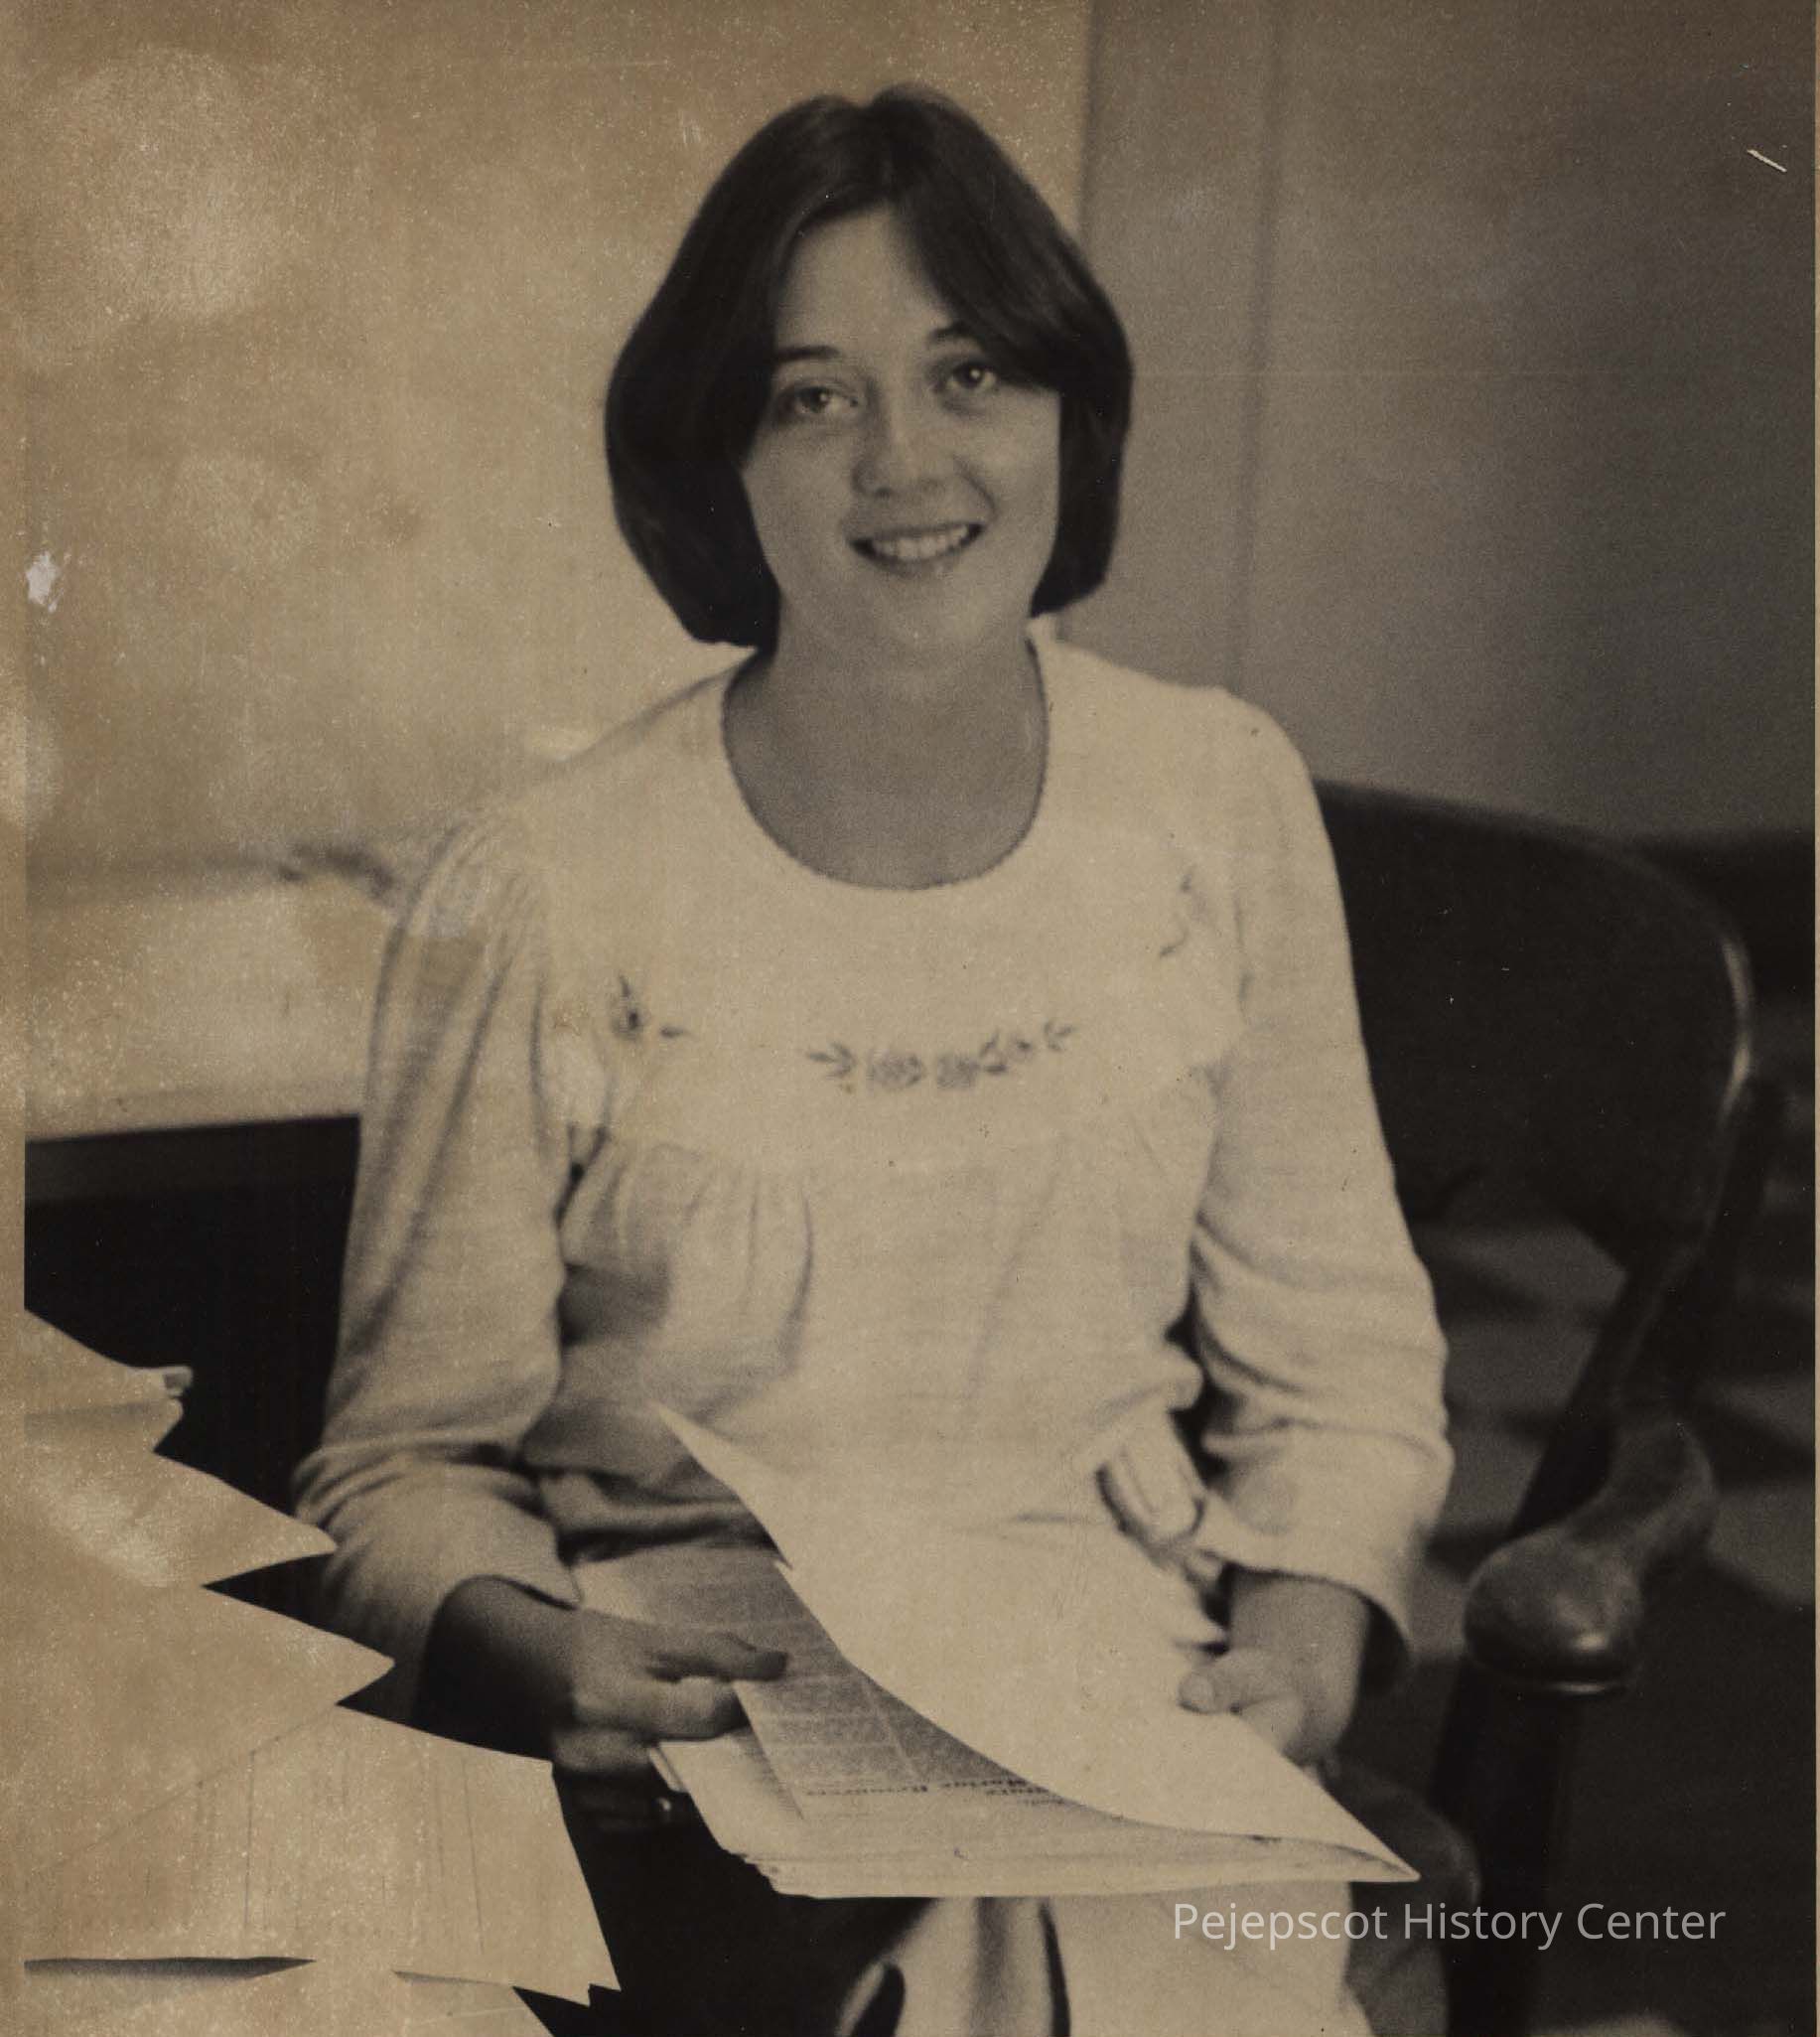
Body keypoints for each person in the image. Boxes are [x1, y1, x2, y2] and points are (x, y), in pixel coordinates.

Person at [294, 85, 1451, 2037]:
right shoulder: (543, 886)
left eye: (967, 372)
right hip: (697, 1710)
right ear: (720, 461)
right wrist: (528, 1648)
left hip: (1115, 1662)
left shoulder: (1212, 797)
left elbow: (1337, 1361)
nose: (904, 463)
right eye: (810, 397)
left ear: (1066, 411)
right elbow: (401, 1464)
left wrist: (1307, 1633)